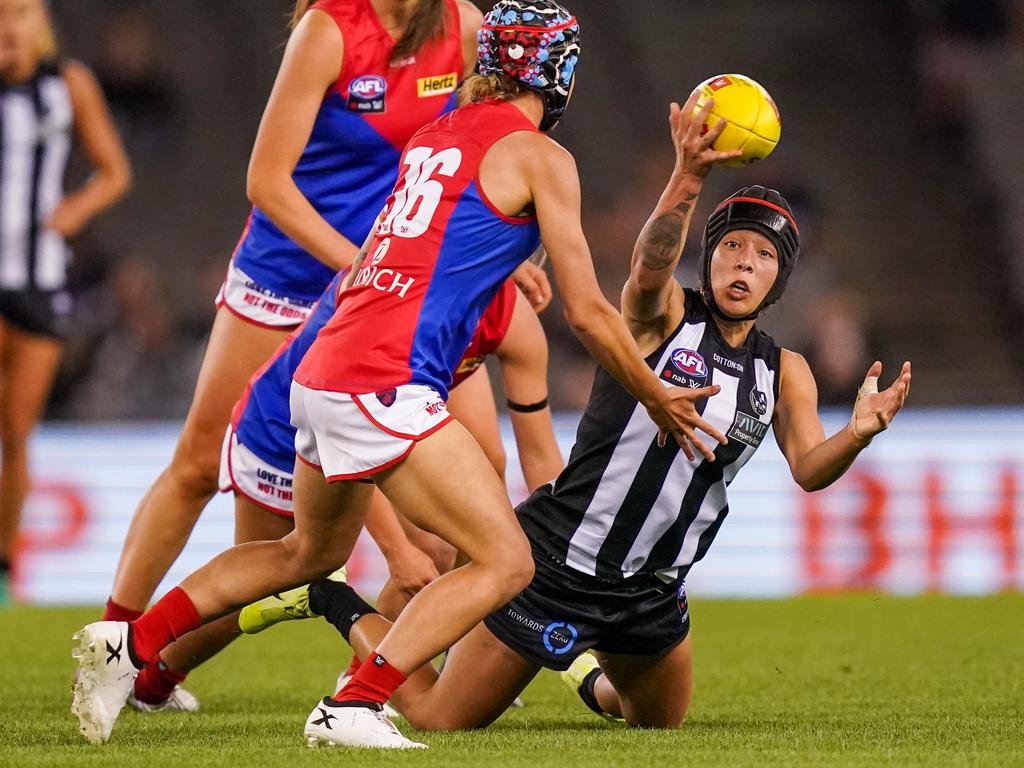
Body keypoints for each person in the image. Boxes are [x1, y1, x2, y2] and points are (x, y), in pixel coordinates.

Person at [71, 0, 724, 749]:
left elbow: (444, 241)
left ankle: (129, 645)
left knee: (304, 555)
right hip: (383, 377)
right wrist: (658, 396)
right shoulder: (543, 158)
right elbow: (589, 312)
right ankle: (354, 702)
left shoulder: (436, 135)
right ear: (561, 75)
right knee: (504, 559)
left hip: (321, 366)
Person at [251, 89, 913, 732]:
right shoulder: (666, 319)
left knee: (654, 722)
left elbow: (808, 467)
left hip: (651, 590)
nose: (743, 264)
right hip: (558, 562)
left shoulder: (783, 369)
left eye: (763, 256)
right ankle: (330, 597)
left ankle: (579, 670)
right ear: (709, 257)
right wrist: (686, 178)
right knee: (437, 717)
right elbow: (649, 271)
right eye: (732, 247)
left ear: (780, 278)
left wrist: (856, 434)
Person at [101, 0, 487, 624]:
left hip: (383, 285)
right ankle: (116, 637)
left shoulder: (462, 26)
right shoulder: (329, 29)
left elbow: (473, 150)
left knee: (476, 463)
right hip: (288, 275)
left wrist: (499, 238)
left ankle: (443, 660)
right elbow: (266, 181)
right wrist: (356, 264)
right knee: (200, 463)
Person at [127, 269, 563, 712]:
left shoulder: (505, 317)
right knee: (279, 571)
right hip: (287, 426)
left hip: (369, 421)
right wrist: (396, 549)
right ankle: (146, 679)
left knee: (441, 542)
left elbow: (505, 454)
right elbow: (347, 422)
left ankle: (367, 678)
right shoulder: (392, 288)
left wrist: (566, 544)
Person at [0, 0, 130, 604]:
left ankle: (5, 568)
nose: (8, 26)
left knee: (17, 433)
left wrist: (75, 209)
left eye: (19, 13)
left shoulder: (68, 84)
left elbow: (113, 172)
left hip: (37, 281)